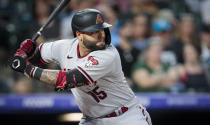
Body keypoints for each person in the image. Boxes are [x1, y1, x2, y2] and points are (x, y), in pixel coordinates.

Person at [9, 9, 152, 125]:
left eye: (101, 29)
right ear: (79, 35)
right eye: (93, 31)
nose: (100, 35)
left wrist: (27, 68)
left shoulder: (108, 55)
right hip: (92, 119)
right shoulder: (64, 47)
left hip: (126, 117)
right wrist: (24, 52)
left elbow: (67, 80)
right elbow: (36, 55)